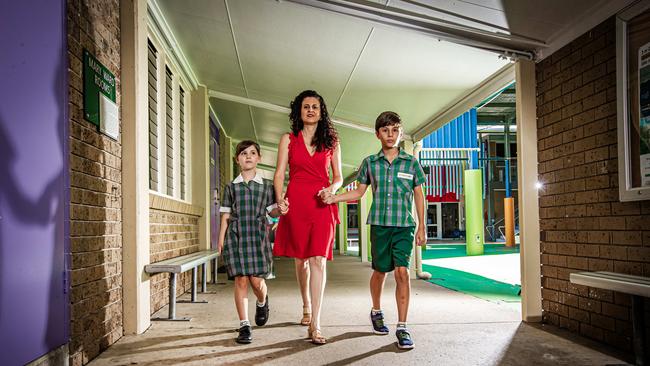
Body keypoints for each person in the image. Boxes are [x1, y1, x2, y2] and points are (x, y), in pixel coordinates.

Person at [322, 111, 427, 349]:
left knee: (402, 272)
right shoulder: (370, 163)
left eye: (395, 130)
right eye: (385, 130)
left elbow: (419, 194)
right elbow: (358, 192)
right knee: (380, 272)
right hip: (379, 225)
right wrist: (333, 198)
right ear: (377, 134)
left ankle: (402, 327)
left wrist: (421, 226)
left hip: (404, 226)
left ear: (400, 133)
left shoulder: (411, 163)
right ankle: (376, 310)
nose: (390, 135)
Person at [273, 90, 342, 345]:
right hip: (297, 202)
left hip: (321, 203)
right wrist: (280, 199)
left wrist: (332, 190)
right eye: (306, 106)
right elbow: (279, 173)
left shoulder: (332, 141)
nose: (311, 110)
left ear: (321, 111)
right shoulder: (288, 139)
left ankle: (316, 323)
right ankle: (306, 304)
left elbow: (338, 176)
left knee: (318, 261)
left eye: (315, 106)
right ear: (299, 112)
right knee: (301, 260)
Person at [218, 140, 285, 344]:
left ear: (259, 158)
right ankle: (244, 325)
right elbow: (226, 216)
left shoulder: (266, 186)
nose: (248, 156)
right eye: (244, 153)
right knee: (240, 280)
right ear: (237, 159)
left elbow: (273, 211)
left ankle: (262, 301)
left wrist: (280, 210)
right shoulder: (231, 187)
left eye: (253, 153)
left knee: (256, 281)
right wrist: (221, 239)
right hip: (236, 237)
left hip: (257, 236)